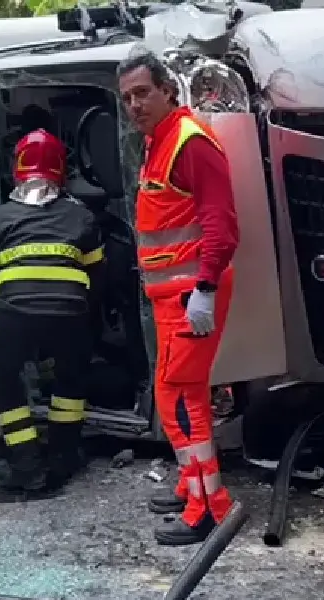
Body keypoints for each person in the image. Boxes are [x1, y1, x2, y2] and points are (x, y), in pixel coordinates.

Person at [117, 52, 240, 546]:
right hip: (176, 296)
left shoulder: (187, 142)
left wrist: (205, 290)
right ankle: (194, 486)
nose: (134, 104)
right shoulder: (160, 143)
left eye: (142, 92)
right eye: (127, 98)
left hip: (191, 294)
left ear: (169, 90)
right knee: (178, 396)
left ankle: (209, 507)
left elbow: (221, 224)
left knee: (181, 399)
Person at [0, 129, 105, 495]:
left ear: (17, 169)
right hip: (70, 313)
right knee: (71, 380)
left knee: (3, 382)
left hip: (13, 314)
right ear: (62, 169)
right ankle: (64, 455)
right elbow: (98, 273)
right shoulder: (82, 219)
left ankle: (26, 463)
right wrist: (83, 314)